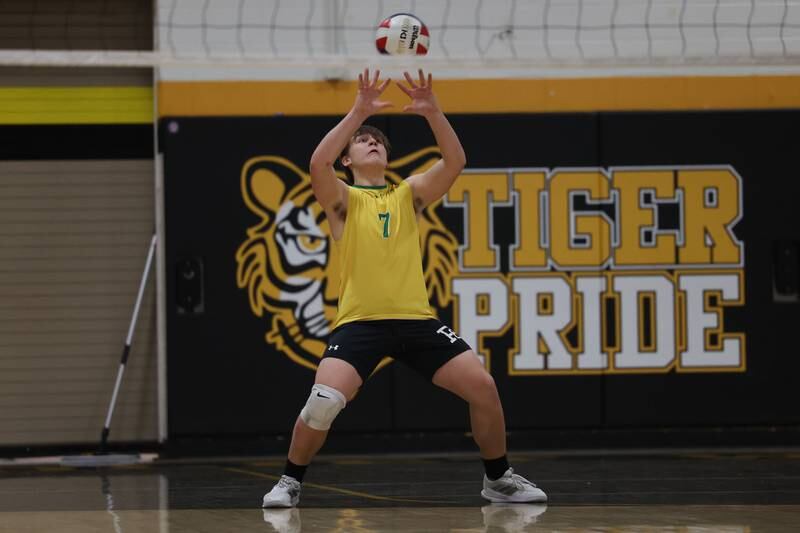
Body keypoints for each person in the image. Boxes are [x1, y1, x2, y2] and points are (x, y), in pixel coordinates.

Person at [262, 68, 546, 507]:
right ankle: (289, 481)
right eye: (363, 140)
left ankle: (498, 480)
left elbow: (455, 163)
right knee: (323, 402)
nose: (373, 142)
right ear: (348, 160)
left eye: (379, 141)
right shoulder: (341, 199)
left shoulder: (408, 193)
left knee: (484, 388)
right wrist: (357, 111)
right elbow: (317, 163)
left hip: (416, 321)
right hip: (361, 323)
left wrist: (433, 111)